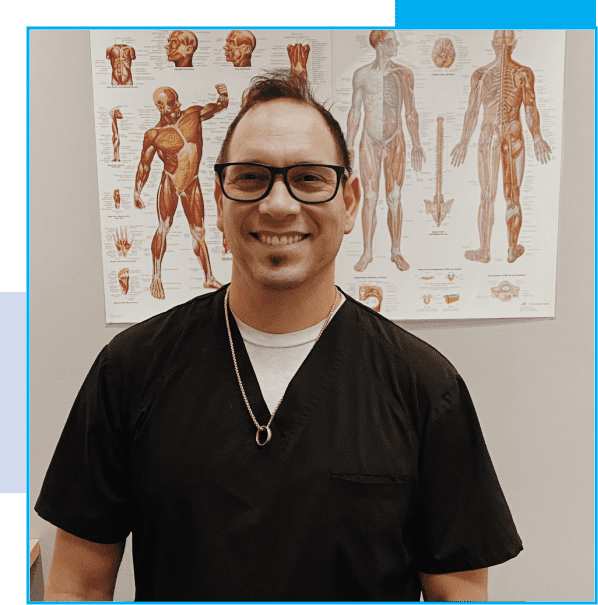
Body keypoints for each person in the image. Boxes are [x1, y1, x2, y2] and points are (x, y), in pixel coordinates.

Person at [36, 71, 522, 601]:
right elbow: (79, 581)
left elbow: (459, 592)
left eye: (310, 178)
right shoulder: (129, 371)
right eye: (250, 177)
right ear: (218, 201)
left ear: (351, 201)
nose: (278, 204)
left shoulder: (425, 388)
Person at [451, 30, 552, 264]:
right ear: (514, 44)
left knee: (489, 196)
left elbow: (473, 111)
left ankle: (487, 250)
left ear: (492, 44)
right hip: (511, 135)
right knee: (511, 196)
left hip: (490, 136)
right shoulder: (522, 73)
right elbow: (529, 107)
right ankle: (510, 249)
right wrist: (536, 137)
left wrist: (464, 141)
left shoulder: (482, 74)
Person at [133, 84, 228, 298]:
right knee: (164, 227)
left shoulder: (193, 115)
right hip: (171, 181)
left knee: (199, 233)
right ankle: (156, 276)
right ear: (161, 107)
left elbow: (219, 107)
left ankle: (208, 277)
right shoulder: (154, 135)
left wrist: (223, 96)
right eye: (173, 103)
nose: (179, 105)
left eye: (177, 100)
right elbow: (144, 165)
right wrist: (137, 191)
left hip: (192, 182)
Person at [347, 30, 425, 273]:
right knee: (369, 198)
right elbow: (355, 112)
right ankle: (367, 252)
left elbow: (410, 111)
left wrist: (417, 142)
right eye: (392, 41)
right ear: (380, 45)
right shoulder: (361, 75)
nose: (397, 44)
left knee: (394, 199)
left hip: (395, 141)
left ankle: (396, 251)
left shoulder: (404, 74)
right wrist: (348, 146)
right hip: (369, 141)